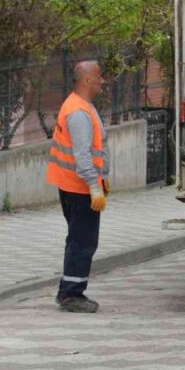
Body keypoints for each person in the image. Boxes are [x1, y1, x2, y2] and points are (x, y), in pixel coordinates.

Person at [45, 60, 111, 313]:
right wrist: (95, 187)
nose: (102, 81)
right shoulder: (79, 113)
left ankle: (71, 290)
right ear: (86, 80)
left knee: (79, 240)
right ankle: (71, 294)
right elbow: (83, 157)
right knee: (82, 241)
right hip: (80, 188)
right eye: (98, 76)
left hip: (75, 186)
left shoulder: (80, 105)